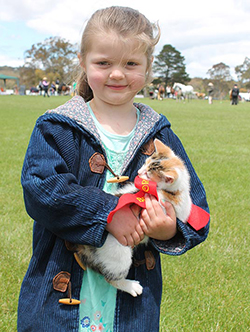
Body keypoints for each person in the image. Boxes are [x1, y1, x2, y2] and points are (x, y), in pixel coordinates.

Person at [17, 6, 210, 332]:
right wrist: (109, 212)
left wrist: (167, 229)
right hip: (58, 295)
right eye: (103, 63)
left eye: (131, 64)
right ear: (83, 61)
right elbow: (41, 189)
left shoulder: (159, 135)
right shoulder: (58, 127)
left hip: (132, 306)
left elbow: (196, 210)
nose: (117, 74)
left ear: (148, 68)